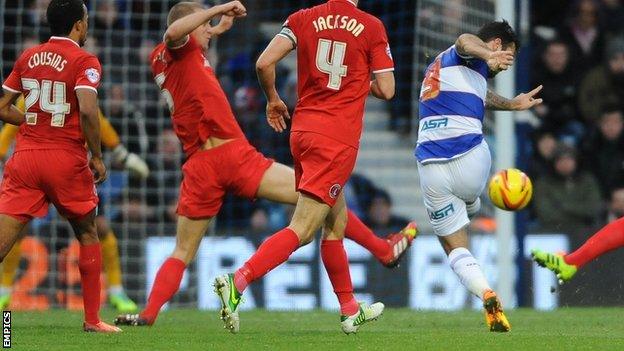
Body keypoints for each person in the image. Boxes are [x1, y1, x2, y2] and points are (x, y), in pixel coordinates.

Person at [114, 1, 415, 333]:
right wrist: (218, 8)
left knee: (183, 249)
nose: (209, 35)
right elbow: (176, 31)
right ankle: (240, 280)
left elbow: (190, 40)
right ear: (190, 28)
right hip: (235, 157)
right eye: (204, 29)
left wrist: (212, 28)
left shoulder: (166, 58)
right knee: (308, 218)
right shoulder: (178, 43)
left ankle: (149, 314)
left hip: (200, 165)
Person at [215, 0, 399, 334]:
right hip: (336, 139)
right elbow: (387, 89)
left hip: (302, 132)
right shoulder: (371, 26)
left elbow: (264, 62)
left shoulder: (302, 18)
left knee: (336, 220)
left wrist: (272, 98)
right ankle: (237, 280)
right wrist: (359, 85)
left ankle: (349, 309)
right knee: (303, 229)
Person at [0, 0, 120, 333]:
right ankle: (93, 320)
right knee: (87, 233)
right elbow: (87, 108)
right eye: (87, 20)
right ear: (79, 25)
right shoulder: (85, 59)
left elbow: (2, 107)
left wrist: (32, 120)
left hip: (25, 157)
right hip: (65, 160)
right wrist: (96, 156)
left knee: (2, 243)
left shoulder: (28, 57)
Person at [416, 20, 542, 332]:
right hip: (471, 156)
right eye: (508, 56)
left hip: (430, 164)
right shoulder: (469, 52)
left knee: (453, 244)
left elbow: (482, 96)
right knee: (465, 211)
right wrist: (488, 55)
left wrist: (512, 104)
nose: (504, 66)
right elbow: (464, 40)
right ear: (497, 44)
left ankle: (483, 288)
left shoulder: (444, 68)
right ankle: (488, 292)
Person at [0, 96, 148, 312]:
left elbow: (96, 119)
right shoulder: (35, 92)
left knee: (99, 228)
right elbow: (10, 129)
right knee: (17, 231)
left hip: (66, 171)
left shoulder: (77, 90)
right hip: (43, 168)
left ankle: (116, 291)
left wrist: (121, 154)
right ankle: (4, 290)